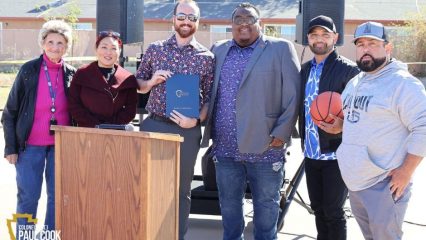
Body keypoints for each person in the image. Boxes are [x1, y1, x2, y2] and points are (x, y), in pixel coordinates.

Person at [201, 3, 301, 239]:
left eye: (250, 19)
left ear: (260, 24)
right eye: (238, 19)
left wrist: (281, 134)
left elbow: (294, 95)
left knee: (266, 213)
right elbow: (209, 89)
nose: (244, 23)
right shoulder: (219, 49)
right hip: (225, 148)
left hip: (265, 147)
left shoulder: (280, 49)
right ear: (231, 25)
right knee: (229, 209)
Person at [336, 21, 426, 239]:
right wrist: (338, 126)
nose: (365, 49)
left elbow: (423, 127)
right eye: (361, 44)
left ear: (388, 48)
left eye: (372, 43)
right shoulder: (356, 81)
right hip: (356, 182)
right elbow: (355, 121)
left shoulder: (403, 84)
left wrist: (406, 171)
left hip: (384, 183)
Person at [135, 0, 214, 239]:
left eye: (192, 18)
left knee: (181, 191)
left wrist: (197, 121)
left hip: (187, 132)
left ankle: (176, 235)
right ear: (173, 18)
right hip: (154, 125)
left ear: (198, 22)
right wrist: (150, 83)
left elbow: (210, 98)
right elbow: (138, 84)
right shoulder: (155, 49)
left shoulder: (206, 57)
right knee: (148, 186)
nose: (186, 21)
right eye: (182, 16)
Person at [1, 20, 75, 234]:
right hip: (29, 147)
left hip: (60, 147)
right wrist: (11, 148)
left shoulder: (71, 73)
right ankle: (25, 237)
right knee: (28, 197)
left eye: (60, 43)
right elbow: (10, 111)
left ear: (67, 47)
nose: (55, 47)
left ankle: (49, 236)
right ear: (42, 44)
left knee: (57, 197)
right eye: (50, 42)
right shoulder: (28, 70)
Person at [298, 15, 359, 240]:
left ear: (335, 37)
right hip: (311, 152)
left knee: (334, 212)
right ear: (308, 39)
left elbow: (361, 115)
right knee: (318, 209)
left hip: (336, 153)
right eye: (314, 35)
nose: (319, 39)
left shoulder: (349, 71)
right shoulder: (304, 70)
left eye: (325, 34)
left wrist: (343, 127)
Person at [68, 31, 138, 127]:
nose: (108, 52)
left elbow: (130, 110)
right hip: (86, 131)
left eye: (113, 48)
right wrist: (95, 124)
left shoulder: (128, 78)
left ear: (119, 51)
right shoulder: (82, 74)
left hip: (116, 133)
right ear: (96, 49)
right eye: (104, 47)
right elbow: (74, 104)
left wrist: (110, 126)